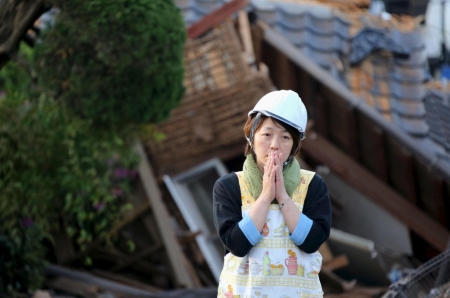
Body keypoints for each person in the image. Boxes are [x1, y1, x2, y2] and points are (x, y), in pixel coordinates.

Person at [213, 90, 331, 298]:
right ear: (251, 136)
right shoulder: (229, 186)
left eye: (285, 137)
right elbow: (237, 245)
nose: (275, 144)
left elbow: (312, 242)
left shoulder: (312, 185)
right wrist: (266, 196)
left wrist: (284, 197)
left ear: (295, 145)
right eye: (267, 134)